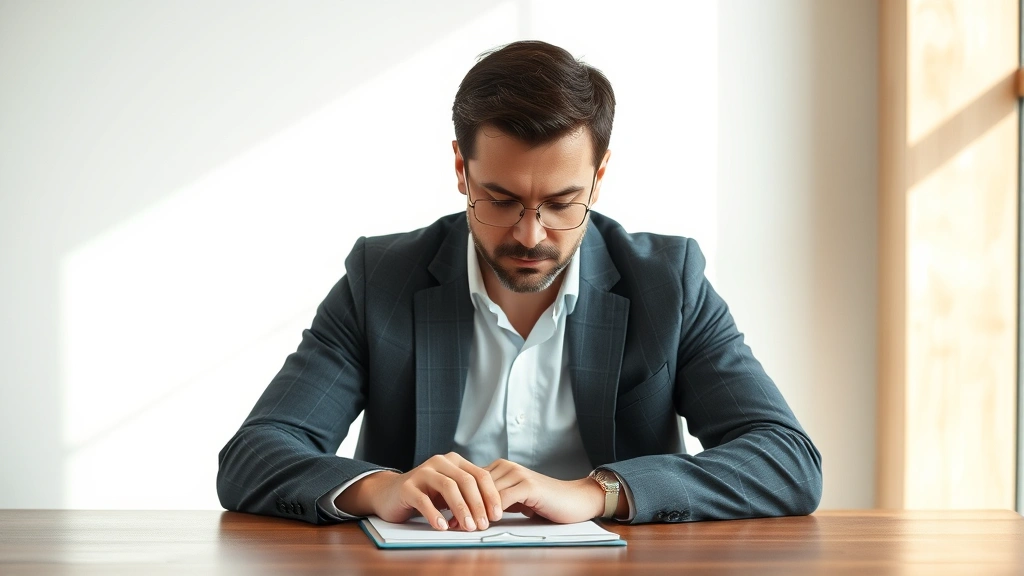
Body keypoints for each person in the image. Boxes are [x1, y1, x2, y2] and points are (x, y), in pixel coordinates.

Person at [217, 40, 822, 531]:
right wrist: (381, 488)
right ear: (461, 169)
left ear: (599, 175)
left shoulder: (667, 281)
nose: (531, 235)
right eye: (501, 200)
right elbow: (254, 454)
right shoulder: (383, 279)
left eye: (562, 203)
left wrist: (598, 492)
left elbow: (786, 459)